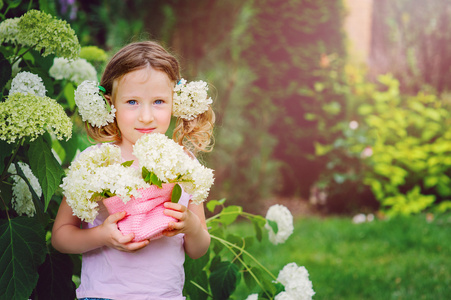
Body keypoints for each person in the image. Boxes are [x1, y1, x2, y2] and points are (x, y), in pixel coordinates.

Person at [52, 41, 215, 300]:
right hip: (103, 295)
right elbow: (61, 237)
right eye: (132, 102)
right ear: (110, 104)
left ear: (176, 103)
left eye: (159, 101)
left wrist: (192, 227)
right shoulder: (95, 161)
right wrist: (102, 235)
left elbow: (198, 248)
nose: (146, 116)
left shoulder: (183, 163)